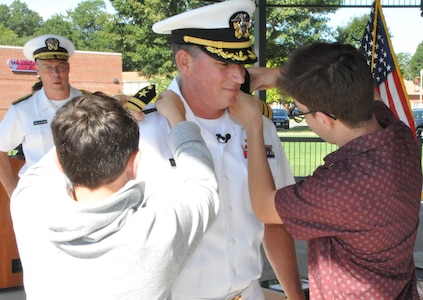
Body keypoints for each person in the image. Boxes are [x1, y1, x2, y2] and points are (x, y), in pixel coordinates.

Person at [134, 0, 305, 299]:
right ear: (184, 62)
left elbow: (274, 224)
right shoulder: (141, 131)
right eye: (225, 64)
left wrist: (295, 296)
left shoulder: (259, 126)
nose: (240, 76)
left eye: (241, 63)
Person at [229, 42, 422, 299]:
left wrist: (254, 126)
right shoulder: (398, 135)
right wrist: (288, 78)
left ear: (324, 119)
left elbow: (264, 206)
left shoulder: (341, 186)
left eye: (301, 111)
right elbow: (364, 92)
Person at [10, 91, 220, 300]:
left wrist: (92, 118)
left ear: (60, 164)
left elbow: (57, 154)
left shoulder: (28, 206)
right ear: (135, 163)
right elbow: (203, 183)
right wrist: (178, 118)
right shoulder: (158, 229)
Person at [0, 34, 84, 198]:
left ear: (68, 68)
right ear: (37, 70)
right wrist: (14, 196)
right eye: (47, 67)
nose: (55, 73)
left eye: (60, 66)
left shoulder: (87, 104)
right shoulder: (23, 110)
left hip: (83, 194)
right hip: (40, 196)